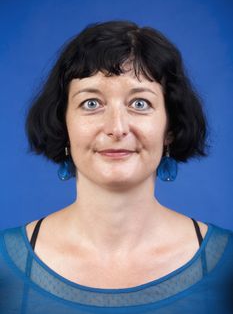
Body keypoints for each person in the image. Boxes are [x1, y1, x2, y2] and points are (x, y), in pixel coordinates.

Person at [0, 20, 232, 313]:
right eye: (92, 103)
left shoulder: (227, 267)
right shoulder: (3, 268)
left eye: (139, 104)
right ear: (63, 123)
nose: (116, 128)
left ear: (169, 128)